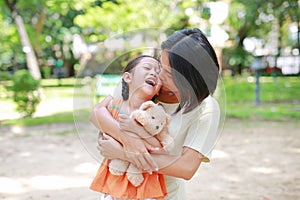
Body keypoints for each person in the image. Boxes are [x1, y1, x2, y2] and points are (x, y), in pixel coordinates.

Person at [91, 28, 221, 199]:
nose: (159, 74)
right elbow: (97, 115)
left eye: (167, 72)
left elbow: (186, 167)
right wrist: (127, 139)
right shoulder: (145, 86)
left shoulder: (206, 109)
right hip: (117, 190)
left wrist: (125, 153)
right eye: (160, 65)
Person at [90, 55, 168, 199]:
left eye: (158, 72)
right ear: (127, 77)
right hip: (113, 184)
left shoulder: (154, 114)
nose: (153, 73)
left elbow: (159, 148)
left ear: (158, 90)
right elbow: (95, 112)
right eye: (147, 68)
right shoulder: (114, 104)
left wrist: (137, 131)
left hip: (144, 188)